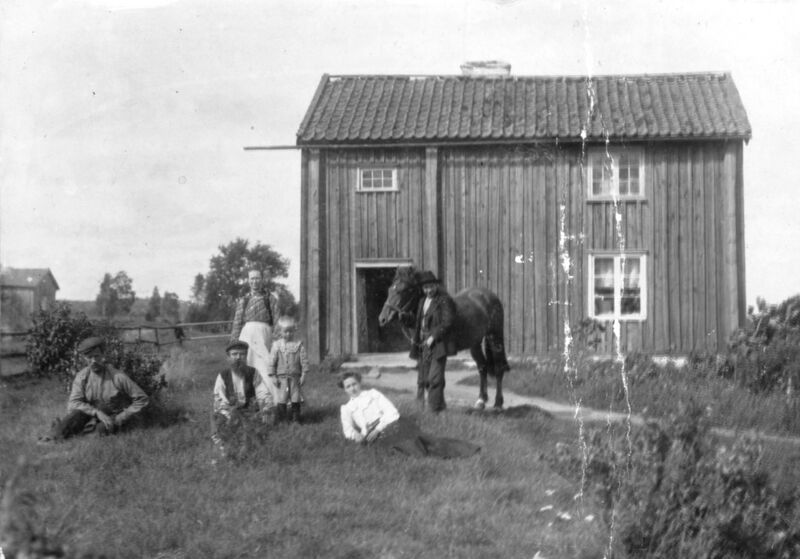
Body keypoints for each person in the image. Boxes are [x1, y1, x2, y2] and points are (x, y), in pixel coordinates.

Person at [338, 371, 479, 458]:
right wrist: (356, 435)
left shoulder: (373, 394)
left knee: (420, 442)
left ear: (359, 383)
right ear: (344, 390)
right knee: (393, 451)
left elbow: (391, 412)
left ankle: (463, 450)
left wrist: (378, 429)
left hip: (389, 424)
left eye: (354, 384)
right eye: (348, 387)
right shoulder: (346, 408)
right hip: (371, 435)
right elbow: (347, 429)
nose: (352, 388)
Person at [43, 336, 149, 441]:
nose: (93, 361)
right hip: (88, 415)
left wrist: (121, 417)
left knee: (96, 435)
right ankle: (54, 435)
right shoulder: (82, 377)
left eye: (97, 356)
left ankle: (69, 430)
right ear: (84, 358)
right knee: (74, 416)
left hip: (110, 418)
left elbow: (142, 399)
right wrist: (96, 412)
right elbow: (74, 403)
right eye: (89, 357)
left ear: (104, 355)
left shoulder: (117, 377)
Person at [211, 340, 273, 452]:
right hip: (230, 412)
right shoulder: (223, 376)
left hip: (250, 411)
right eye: (234, 354)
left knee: (256, 434)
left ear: (246, 356)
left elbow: (263, 392)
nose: (238, 357)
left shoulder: (253, 373)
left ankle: (255, 448)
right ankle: (224, 449)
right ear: (228, 357)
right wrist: (229, 415)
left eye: (242, 354)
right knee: (217, 419)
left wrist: (266, 408)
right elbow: (219, 398)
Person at [409, 271, 457, 413]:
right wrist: (416, 336)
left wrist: (433, 337)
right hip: (423, 343)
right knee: (423, 376)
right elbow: (419, 321)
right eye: (425, 288)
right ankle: (440, 406)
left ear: (436, 285)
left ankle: (433, 411)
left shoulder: (444, 300)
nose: (428, 290)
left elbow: (447, 321)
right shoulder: (422, 301)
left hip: (438, 344)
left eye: (430, 287)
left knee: (434, 377)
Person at [230, 269, 280, 400]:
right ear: (248, 281)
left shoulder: (270, 298)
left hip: (264, 335)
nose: (254, 281)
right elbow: (237, 321)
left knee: (266, 365)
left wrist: (277, 341)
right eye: (252, 279)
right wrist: (234, 342)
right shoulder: (244, 300)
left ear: (262, 280)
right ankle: (247, 400)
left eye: (257, 278)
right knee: (247, 365)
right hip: (247, 335)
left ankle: (273, 400)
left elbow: (277, 320)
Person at [266, 316, 309, 424]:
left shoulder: (298, 345)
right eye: (285, 332)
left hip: (295, 377)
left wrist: (304, 375)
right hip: (282, 378)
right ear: (280, 331)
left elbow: (304, 361)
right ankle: (283, 420)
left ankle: (296, 419)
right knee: (282, 398)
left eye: (291, 331)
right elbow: (271, 361)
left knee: (296, 397)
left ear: (294, 331)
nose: (288, 334)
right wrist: (273, 376)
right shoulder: (276, 346)